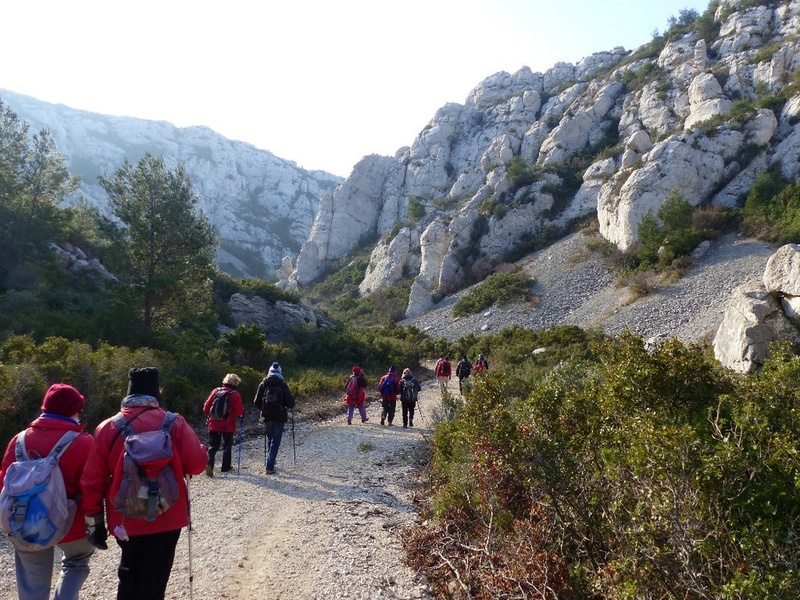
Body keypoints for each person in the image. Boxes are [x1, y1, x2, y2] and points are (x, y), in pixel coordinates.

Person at [80, 367, 208, 600]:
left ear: (128, 393)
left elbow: (92, 481)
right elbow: (197, 465)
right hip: (168, 516)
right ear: (156, 393)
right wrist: (201, 451)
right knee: (155, 578)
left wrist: (94, 523)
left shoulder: (108, 427)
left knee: (129, 573)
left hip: (126, 519)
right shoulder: (174, 422)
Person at [0, 384, 95, 600]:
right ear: (73, 411)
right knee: (77, 562)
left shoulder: (19, 440)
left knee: (32, 584)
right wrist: (96, 523)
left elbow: (4, 482)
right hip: (73, 526)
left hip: (26, 523)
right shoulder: (84, 442)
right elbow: (92, 488)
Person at [253, 362, 295, 474]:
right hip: (280, 417)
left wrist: (264, 409)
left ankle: (271, 460)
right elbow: (290, 403)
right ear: (280, 372)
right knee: (275, 442)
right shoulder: (282, 384)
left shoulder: (263, 384)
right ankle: (270, 466)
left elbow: (256, 402)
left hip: (266, 416)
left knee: (271, 439)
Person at [202, 373, 245, 477]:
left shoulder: (216, 391)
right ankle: (225, 467)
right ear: (235, 383)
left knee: (213, 446)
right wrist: (242, 413)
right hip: (228, 425)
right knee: (227, 445)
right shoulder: (235, 394)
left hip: (214, 423)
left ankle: (209, 464)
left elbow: (206, 408)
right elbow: (239, 411)